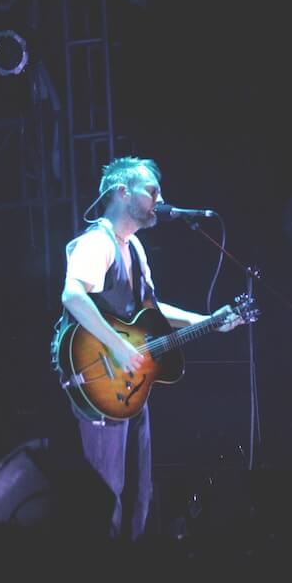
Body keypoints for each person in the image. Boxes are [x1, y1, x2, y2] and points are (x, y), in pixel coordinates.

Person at [56, 156, 244, 540]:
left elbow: (152, 311)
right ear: (123, 192)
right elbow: (73, 294)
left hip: (133, 386)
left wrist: (209, 321)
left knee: (139, 493)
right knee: (105, 494)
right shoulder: (97, 242)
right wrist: (118, 348)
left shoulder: (136, 248)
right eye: (152, 191)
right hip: (100, 377)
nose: (161, 199)